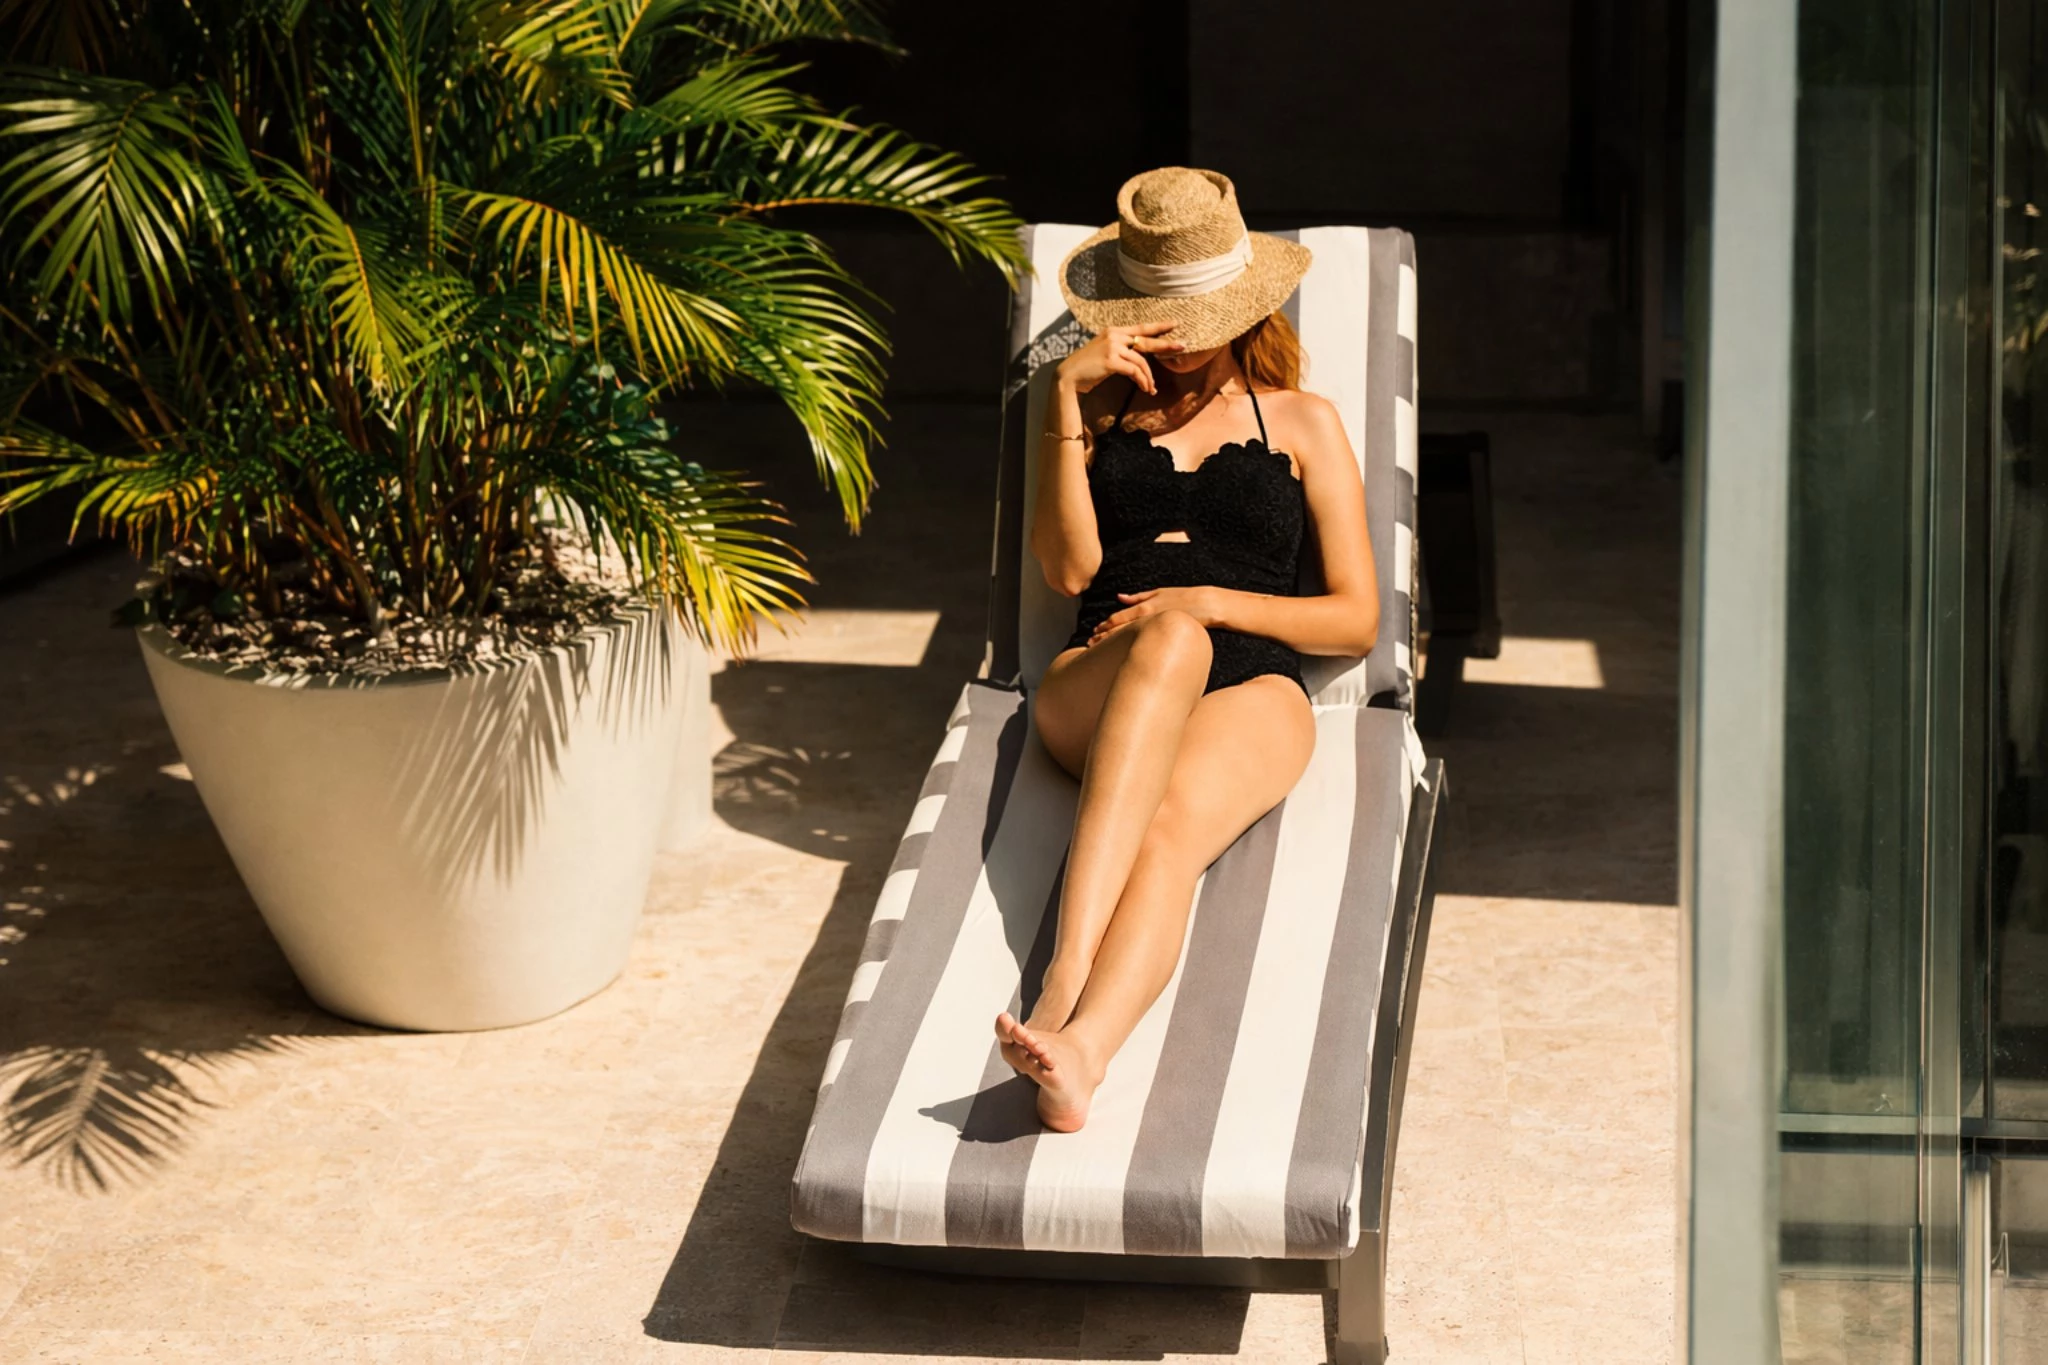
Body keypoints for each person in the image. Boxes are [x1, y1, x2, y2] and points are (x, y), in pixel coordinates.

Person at [995, 166, 1381, 1132]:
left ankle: (1079, 1053)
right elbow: (1068, 569)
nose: (1180, 349)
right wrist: (1066, 391)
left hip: (1252, 686)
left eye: (1200, 323)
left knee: (1169, 830)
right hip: (1103, 673)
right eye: (1160, 320)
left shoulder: (1304, 420)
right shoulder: (1091, 406)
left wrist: (1210, 598)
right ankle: (1062, 975)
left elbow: (1354, 618)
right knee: (1165, 636)